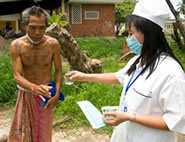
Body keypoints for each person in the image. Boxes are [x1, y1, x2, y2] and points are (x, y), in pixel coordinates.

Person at [65, 0, 185, 142]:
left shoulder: (171, 72)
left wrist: (130, 116)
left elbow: (174, 121)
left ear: (148, 33)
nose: (128, 40)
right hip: (125, 135)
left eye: (131, 33)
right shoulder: (138, 60)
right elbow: (118, 77)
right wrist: (83, 76)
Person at [8, 6, 62, 142]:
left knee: (44, 132)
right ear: (25, 26)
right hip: (26, 94)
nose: (37, 32)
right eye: (32, 27)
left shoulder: (53, 44)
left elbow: (59, 71)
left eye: (41, 27)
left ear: (46, 27)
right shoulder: (17, 45)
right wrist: (34, 88)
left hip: (46, 95)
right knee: (23, 133)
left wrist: (56, 93)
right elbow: (17, 75)